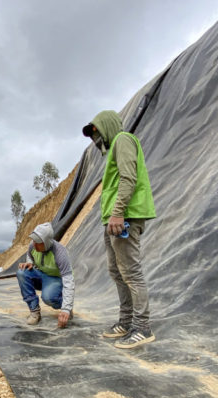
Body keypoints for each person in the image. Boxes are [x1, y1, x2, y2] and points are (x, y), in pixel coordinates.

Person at [82, 110, 157, 348]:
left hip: (125, 216)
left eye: (97, 133)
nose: (96, 140)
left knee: (131, 271)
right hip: (113, 220)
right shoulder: (114, 146)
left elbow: (128, 178)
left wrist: (118, 212)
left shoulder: (123, 139)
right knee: (116, 271)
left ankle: (142, 327)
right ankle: (126, 321)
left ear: (107, 126)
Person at [17, 222, 75, 328]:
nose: (34, 244)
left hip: (56, 278)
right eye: (34, 240)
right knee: (22, 272)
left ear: (47, 242)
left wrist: (66, 308)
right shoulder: (33, 245)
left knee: (48, 298)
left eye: (38, 242)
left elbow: (69, 281)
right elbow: (29, 255)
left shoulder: (60, 253)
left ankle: (65, 306)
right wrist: (30, 262)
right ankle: (35, 312)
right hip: (41, 274)